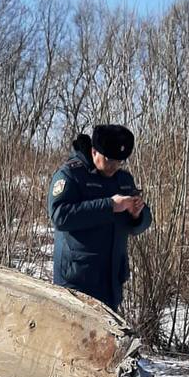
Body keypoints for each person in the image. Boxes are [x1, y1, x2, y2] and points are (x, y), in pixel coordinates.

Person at [48, 125, 152, 312]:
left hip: (112, 280)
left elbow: (141, 222)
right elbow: (59, 215)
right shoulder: (70, 175)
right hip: (77, 282)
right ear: (94, 151)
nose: (114, 166)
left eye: (119, 162)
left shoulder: (124, 180)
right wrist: (109, 205)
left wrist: (137, 216)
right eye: (109, 160)